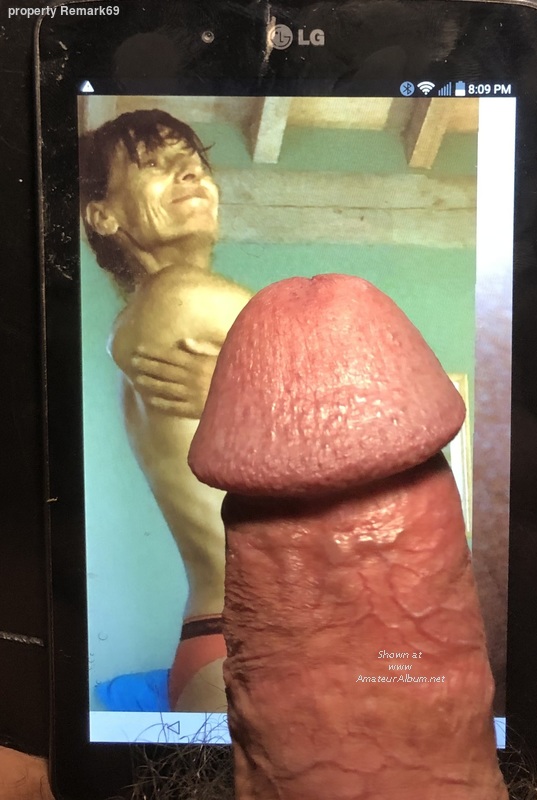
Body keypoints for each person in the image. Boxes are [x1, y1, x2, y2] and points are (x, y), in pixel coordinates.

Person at [80, 109, 252, 712]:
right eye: (154, 163)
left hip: (222, 636)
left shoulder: (153, 318)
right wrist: (252, 393)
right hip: (254, 643)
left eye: (195, 160)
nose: (190, 172)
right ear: (104, 215)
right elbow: (373, 381)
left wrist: (241, 392)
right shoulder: (177, 294)